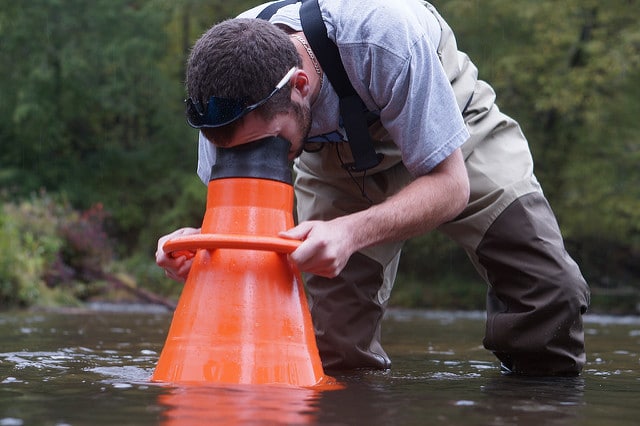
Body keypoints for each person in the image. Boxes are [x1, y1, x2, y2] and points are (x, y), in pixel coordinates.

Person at [156, 0, 590, 376]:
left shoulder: (382, 35)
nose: (263, 160)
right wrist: (204, 247)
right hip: (336, 162)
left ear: (299, 87)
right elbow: (237, 221)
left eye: (269, 147)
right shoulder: (223, 91)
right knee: (335, 350)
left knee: (551, 294)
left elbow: (450, 187)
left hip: (454, 133)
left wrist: (350, 231)